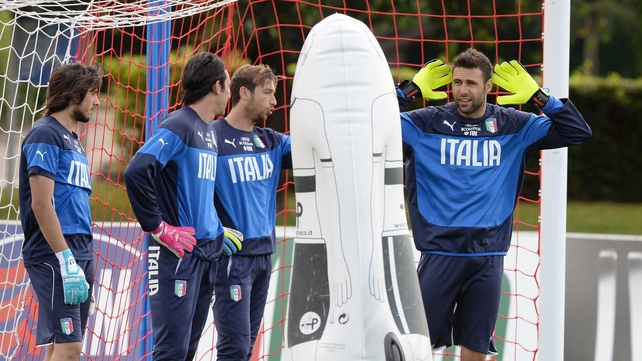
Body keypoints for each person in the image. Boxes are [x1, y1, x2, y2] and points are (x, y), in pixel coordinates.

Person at [395, 48, 591, 361]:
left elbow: (578, 132)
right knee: (415, 350)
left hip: (488, 257)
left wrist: (539, 98)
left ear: (488, 87)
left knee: (476, 352)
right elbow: (367, 125)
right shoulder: (425, 123)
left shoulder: (515, 126)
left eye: (471, 83)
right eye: (457, 82)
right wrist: (409, 91)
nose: (462, 90)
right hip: (438, 255)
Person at [124, 52, 242, 361]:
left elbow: (195, 193)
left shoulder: (208, 133)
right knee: (172, 352)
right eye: (228, 84)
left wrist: (217, 230)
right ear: (217, 86)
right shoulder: (179, 125)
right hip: (173, 255)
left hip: (202, 254)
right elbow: (137, 170)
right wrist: (159, 228)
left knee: (187, 350)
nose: (230, 92)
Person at [19, 62, 102, 361]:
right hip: (55, 253)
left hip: (79, 250)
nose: (97, 101)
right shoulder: (45, 134)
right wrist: (65, 259)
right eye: (93, 93)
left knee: (61, 345)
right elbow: (42, 203)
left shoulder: (74, 141)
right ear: (73, 94)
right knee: (69, 349)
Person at [211, 64, 291, 361]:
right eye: (268, 93)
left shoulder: (272, 141)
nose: (274, 101)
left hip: (263, 257)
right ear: (244, 93)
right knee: (234, 349)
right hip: (231, 259)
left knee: (244, 351)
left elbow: (320, 146)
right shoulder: (211, 138)